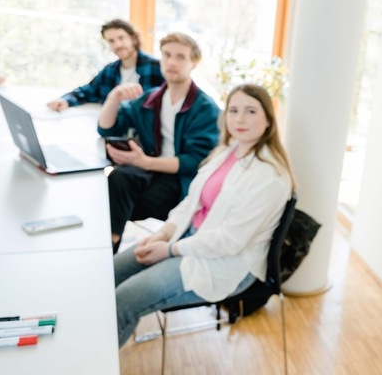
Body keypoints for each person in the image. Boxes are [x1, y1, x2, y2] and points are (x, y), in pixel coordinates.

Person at [114, 83, 295, 347]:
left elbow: (230, 241)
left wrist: (169, 249)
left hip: (223, 262)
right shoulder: (227, 152)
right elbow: (191, 202)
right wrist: (163, 234)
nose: (240, 119)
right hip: (187, 238)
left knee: (124, 300)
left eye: (251, 111)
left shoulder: (269, 177)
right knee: (110, 273)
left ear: (268, 120)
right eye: (233, 110)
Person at [98, 32, 220, 255]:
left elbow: (194, 162)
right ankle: (109, 242)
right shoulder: (151, 98)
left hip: (181, 181)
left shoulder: (205, 108)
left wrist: (143, 161)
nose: (172, 62)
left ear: (194, 62)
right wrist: (113, 98)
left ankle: (108, 246)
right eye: (167, 55)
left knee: (111, 201)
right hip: (153, 172)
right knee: (118, 179)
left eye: (180, 57)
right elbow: (107, 128)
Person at [47, 19, 164, 111]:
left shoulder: (157, 66)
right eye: (111, 41)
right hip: (113, 128)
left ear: (133, 38)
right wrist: (65, 101)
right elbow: (87, 91)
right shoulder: (109, 71)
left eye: (121, 38)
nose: (118, 45)